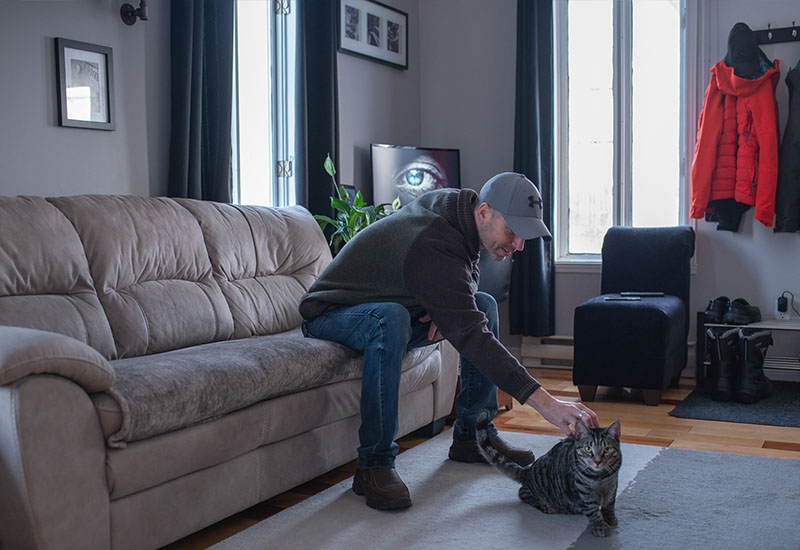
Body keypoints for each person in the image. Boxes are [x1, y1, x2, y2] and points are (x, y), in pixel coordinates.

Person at [299, 172, 599, 511]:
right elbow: (471, 333)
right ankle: (374, 464)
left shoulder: (460, 213)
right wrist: (549, 404)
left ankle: (473, 436)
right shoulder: (434, 239)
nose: (519, 245)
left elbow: (462, 283)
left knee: (482, 304)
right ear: (484, 213)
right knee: (392, 318)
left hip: (384, 307)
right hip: (331, 314)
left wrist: (444, 307)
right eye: (513, 232)